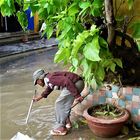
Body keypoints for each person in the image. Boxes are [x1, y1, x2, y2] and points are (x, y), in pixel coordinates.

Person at [32, 69, 85, 136]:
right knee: (64, 103)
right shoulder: (49, 79)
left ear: (40, 78)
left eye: (37, 82)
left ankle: (60, 128)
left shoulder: (50, 78)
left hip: (75, 84)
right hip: (75, 83)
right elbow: (49, 89)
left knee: (59, 103)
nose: (38, 84)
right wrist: (38, 98)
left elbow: (66, 81)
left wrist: (77, 96)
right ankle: (67, 122)